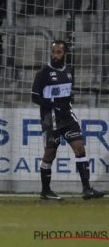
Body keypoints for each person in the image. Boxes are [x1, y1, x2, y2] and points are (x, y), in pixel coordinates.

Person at [31, 40, 105, 201]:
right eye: (53, 52)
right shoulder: (43, 73)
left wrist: (66, 104)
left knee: (80, 149)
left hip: (68, 117)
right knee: (50, 154)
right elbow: (35, 97)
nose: (55, 55)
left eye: (59, 52)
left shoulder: (70, 71)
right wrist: (53, 105)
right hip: (51, 119)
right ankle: (45, 191)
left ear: (65, 53)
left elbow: (67, 93)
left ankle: (87, 189)